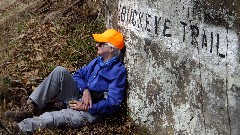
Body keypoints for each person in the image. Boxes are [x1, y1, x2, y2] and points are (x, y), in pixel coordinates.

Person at [4, 28, 127, 134]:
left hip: (91, 111)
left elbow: (113, 103)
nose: (96, 45)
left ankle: (20, 128)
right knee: (60, 71)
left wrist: (88, 108)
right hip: (79, 96)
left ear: (111, 49)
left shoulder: (118, 71)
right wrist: (85, 90)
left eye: (101, 43)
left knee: (58, 116)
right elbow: (78, 75)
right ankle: (31, 107)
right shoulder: (97, 61)